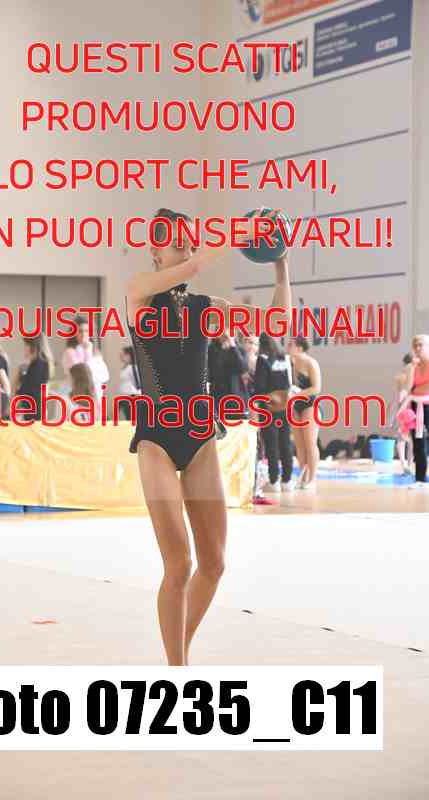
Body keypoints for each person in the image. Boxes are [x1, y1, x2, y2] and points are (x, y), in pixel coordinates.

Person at [126, 207, 291, 665]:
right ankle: (176, 671)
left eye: (189, 240)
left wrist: (280, 263)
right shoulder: (138, 292)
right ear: (155, 251)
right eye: (175, 241)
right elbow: (196, 266)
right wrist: (238, 233)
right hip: (157, 438)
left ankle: (178, 652)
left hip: (199, 436)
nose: (185, 248)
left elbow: (276, 324)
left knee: (214, 564)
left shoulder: (204, 307)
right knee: (179, 564)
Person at [254, 333, 293, 493]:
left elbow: (260, 387)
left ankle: (274, 479)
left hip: (268, 407)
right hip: (284, 405)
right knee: (285, 442)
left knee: (271, 444)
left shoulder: (263, 360)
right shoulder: (284, 358)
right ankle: (287, 480)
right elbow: (290, 383)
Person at [287, 335, 322, 490]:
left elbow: (316, 388)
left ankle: (312, 479)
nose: (287, 347)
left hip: (310, 404)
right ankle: (304, 477)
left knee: (310, 444)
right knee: (299, 445)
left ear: (300, 348)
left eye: (291, 344)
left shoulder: (310, 363)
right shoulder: (289, 363)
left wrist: (297, 394)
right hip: (295, 405)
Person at [61, 317, 109, 405]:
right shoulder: (70, 352)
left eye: (86, 331)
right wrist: (87, 350)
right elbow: (82, 373)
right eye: (80, 331)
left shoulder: (95, 351)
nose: (84, 334)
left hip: (95, 394)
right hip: (77, 394)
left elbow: (104, 375)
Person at [403, 334, 429, 488]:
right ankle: (420, 479)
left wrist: (416, 390)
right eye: (415, 346)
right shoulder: (413, 366)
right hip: (416, 406)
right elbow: (408, 388)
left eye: (421, 345)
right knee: (418, 442)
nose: (418, 348)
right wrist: (412, 369)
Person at [208, 329, 249, 415]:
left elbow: (242, 368)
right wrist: (222, 349)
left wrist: (233, 346)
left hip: (236, 396)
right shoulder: (211, 350)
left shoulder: (240, 351)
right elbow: (213, 371)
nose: (226, 335)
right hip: (217, 396)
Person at [13, 334, 54, 421]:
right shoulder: (42, 363)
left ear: (34, 347)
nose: (24, 348)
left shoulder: (38, 365)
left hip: (34, 412)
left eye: (26, 345)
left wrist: (18, 378)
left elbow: (26, 390)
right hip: (36, 410)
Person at [118, 346, 140, 420]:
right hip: (124, 396)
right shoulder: (125, 368)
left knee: (131, 418)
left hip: (131, 396)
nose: (121, 357)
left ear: (129, 356)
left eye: (123, 354)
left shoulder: (133, 368)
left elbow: (137, 382)